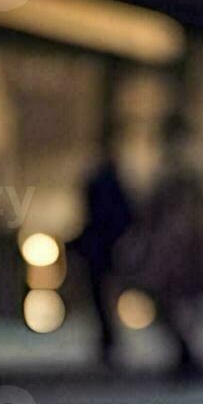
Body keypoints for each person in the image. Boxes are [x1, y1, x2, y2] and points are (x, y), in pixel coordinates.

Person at [117, 115, 203, 377]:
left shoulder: (180, 170)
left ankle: (186, 354)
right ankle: (185, 353)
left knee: (176, 301)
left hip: (177, 247)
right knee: (175, 302)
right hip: (176, 245)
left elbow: (164, 208)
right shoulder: (181, 168)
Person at [72, 139, 134, 365]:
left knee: (102, 298)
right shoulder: (110, 183)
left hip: (102, 248)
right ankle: (108, 341)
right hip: (104, 248)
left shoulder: (104, 183)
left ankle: (108, 341)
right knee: (103, 297)